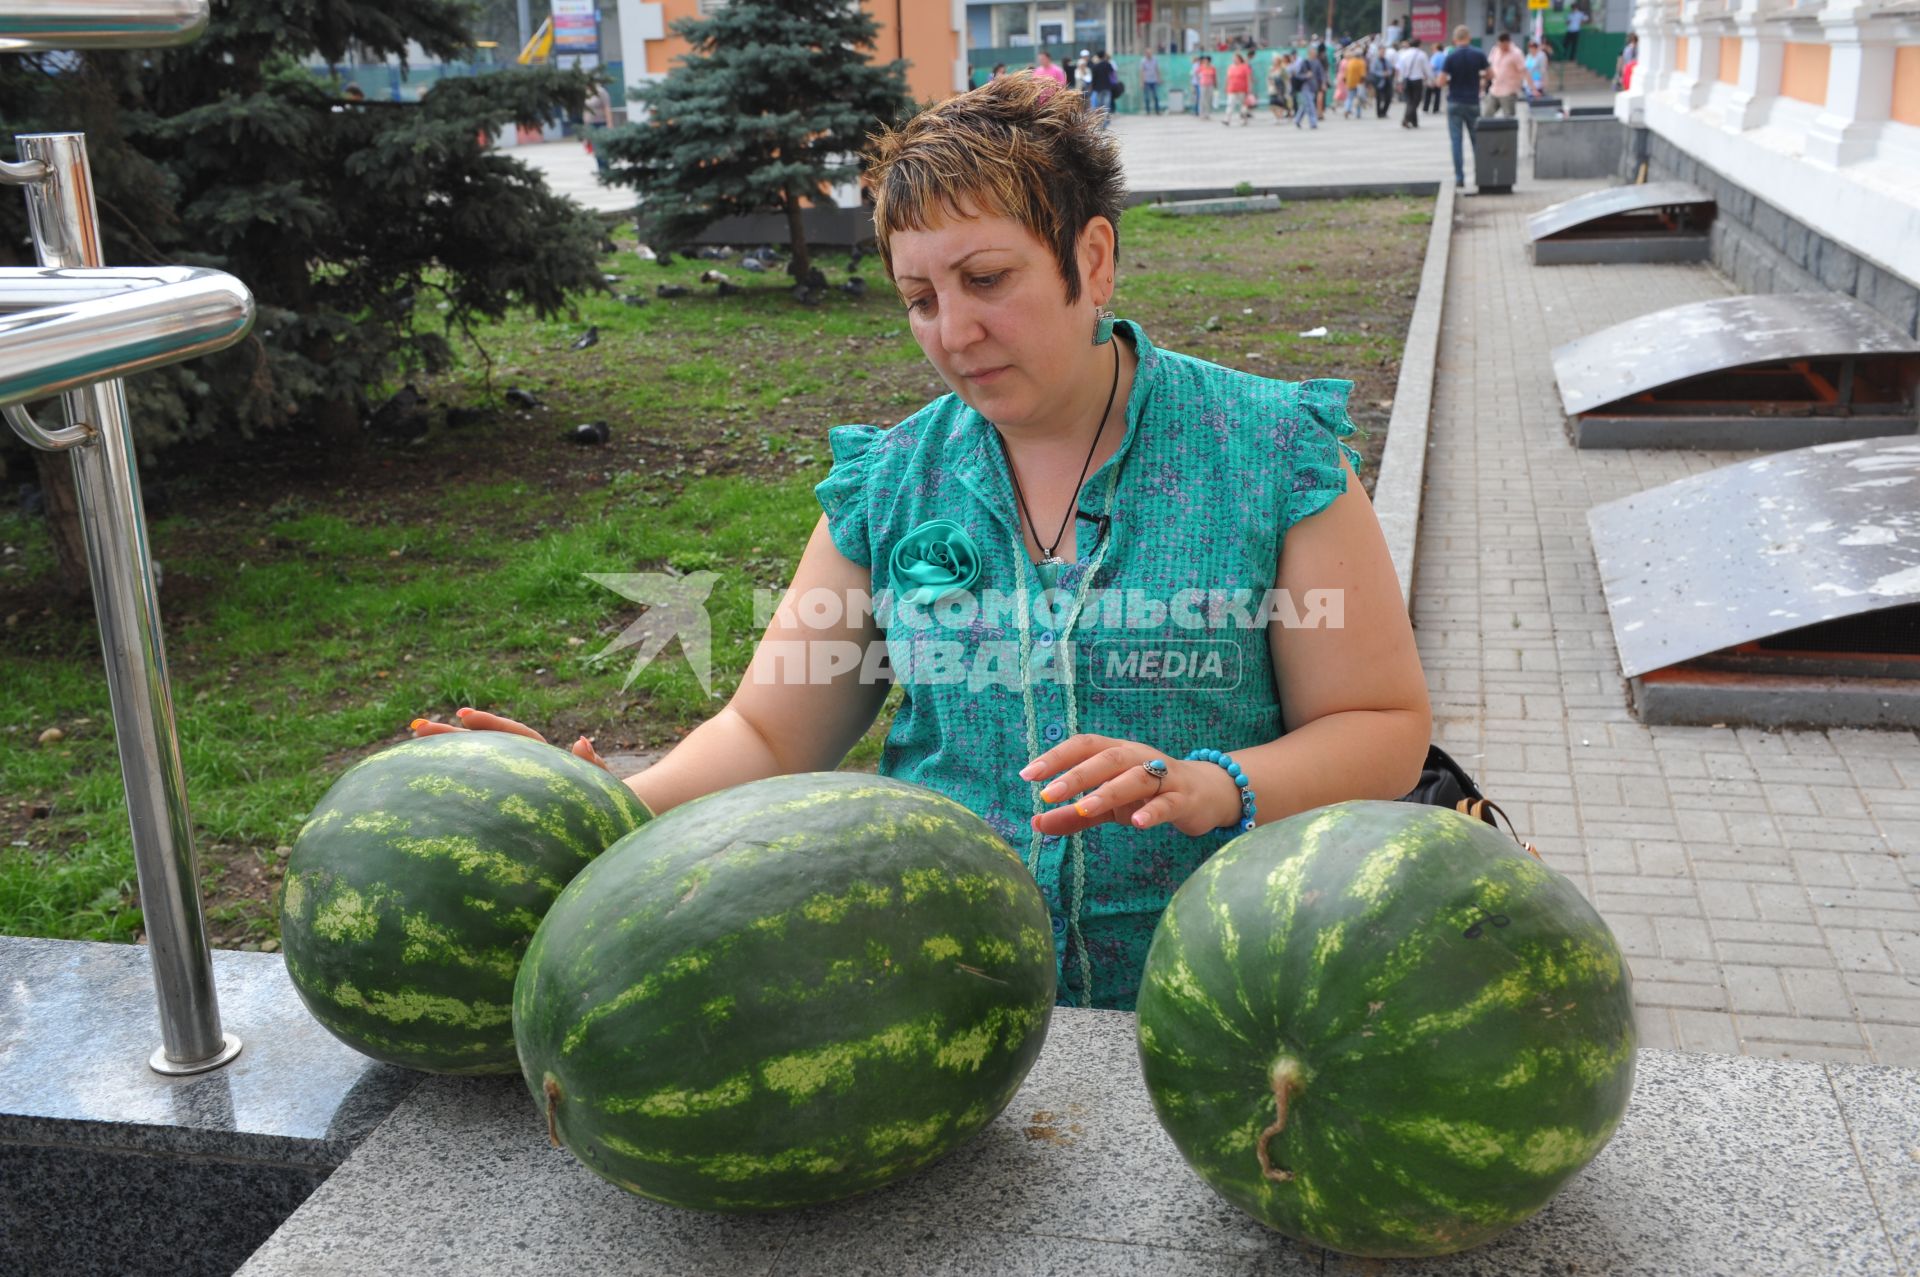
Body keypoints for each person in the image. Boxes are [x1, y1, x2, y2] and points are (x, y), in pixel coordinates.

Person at [414, 76, 1431, 1011]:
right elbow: (772, 733)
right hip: (953, 1004)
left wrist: (1215, 785)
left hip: (1226, 998)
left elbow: (1382, 724)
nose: (954, 331)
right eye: (920, 298)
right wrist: (582, 809)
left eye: (987, 278)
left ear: (1093, 257)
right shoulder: (890, 483)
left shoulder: (1269, 454)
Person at [1436, 25, 1490, 190]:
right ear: (1469, 37)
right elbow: (1491, 73)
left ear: (1455, 39)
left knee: (1456, 142)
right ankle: (1481, 175)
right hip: (1473, 102)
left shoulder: (1450, 57)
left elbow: (1440, 82)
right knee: (1477, 141)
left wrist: (1452, 81)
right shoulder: (1478, 54)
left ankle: (1459, 178)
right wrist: (1481, 80)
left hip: (1454, 102)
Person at [1484, 31, 1526, 117]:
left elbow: (1523, 71)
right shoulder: (1495, 50)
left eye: (1503, 45)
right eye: (1499, 45)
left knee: (1509, 118)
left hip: (1509, 92)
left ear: (1507, 43)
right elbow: (1490, 66)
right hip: (1494, 90)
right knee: (1486, 116)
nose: (1501, 47)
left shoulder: (1516, 53)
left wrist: (1526, 87)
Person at [582, 82, 614, 176]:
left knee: (602, 147)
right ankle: (601, 169)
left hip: (601, 123)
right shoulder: (586, 93)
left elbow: (607, 107)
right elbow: (585, 110)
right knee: (595, 149)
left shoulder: (601, 92)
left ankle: (606, 169)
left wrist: (610, 124)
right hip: (590, 125)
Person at [1396, 39, 1429, 128]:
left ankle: (1414, 121)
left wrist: (1399, 81)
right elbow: (1427, 69)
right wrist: (1430, 79)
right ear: (1419, 44)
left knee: (1410, 101)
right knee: (1416, 101)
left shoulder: (1404, 54)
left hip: (1406, 80)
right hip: (1417, 80)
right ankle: (1406, 119)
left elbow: (1400, 69)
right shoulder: (1422, 54)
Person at [1292, 48, 1323, 128]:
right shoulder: (1304, 62)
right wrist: (1306, 76)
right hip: (1305, 87)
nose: (1314, 54)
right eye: (1313, 53)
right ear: (1309, 53)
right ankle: (1313, 123)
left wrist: (1322, 83)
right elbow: (1298, 75)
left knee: (1305, 105)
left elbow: (1320, 74)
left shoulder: (1317, 62)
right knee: (1310, 105)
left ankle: (1297, 120)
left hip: (1313, 87)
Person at [1223, 50, 1253, 125]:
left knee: (1242, 105)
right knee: (1230, 104)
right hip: (1232, 89)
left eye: (1236, 58)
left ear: (1240, 59)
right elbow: (1227, 78)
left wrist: (1249, 88)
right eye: (1233, 58)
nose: (1234, 60)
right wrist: (1226, 86)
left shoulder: (1244, 66)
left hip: (1242, 89)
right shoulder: (1231, 67)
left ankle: (1244, 119)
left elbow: (1248, 78)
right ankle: (1227, 119)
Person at [1370, 40, 1396, 119]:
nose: (1382, 53)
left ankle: (1384, 112)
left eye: (1384, 51)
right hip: (1379, 82)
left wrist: (1389, 72)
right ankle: (1379, 113)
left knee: (1388, 97)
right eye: (1381, 51)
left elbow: (1391, 68)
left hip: (1387, 81)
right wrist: (1382, 74)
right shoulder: (1375, 61)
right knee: (1379, 98)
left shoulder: (1386, 60)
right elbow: (1373, 71)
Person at [1340, 47, 1368, 118]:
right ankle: (1358, 114)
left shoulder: (1350, 62)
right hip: (1358, 83)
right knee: (1359, 98)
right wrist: (1363, 83)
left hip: (1350, 82)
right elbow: (1362, 75)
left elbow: (1345, 73)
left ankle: (1347, 109)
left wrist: (1345, 80)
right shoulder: (1361, 62)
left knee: (1349, 98)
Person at [1268, 52, 1293, 120]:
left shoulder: (1282, 69)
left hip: (1281, 88)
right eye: (1273, 60)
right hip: (1272, 88)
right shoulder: (1271, 68)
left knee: (1280, 103)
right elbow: (1269, 78)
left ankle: (1280, 117)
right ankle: (1279, 116)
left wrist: (1287, 88)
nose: (1274, 61)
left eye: (1275, 60)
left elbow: (1286, 79)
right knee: (1272, 104)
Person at [1424, 41, 1447, 113]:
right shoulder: (1444, 56)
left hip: (1434, 76)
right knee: (1438, 93)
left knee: (1428, 93)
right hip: (1441, 76)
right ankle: (1436, 108)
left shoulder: (1436, 56)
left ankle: (1426, 108)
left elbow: (1432, 66)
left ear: (1436, 48)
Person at [1195, 53, 1218, 120]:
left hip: (1210, 84)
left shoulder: (1212, 67)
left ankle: (1207, 113)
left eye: (1206, 60)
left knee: (1209, 99)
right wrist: (1199, 80)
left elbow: (1214, 76)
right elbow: (1196, 73)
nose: (1205, 61)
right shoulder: (1201, 67)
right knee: (1202, 99)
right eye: (1204, 60)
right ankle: (1201, 113)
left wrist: (1216, 84)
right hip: (1203, 84)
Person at [1140, 50, 1163, 114]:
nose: (1148, 54)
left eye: (1149, 53)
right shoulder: (1143, 61)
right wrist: (1142, 82)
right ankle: (1148, 111)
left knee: (1156, 96)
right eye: (1147, 53)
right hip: (1146, 81)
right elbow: (1142, 72)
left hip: (1154, 80)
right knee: (1147, 97)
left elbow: (1157, 69)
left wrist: (1159, 79)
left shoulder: (1155, 60)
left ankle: (1157, 111)